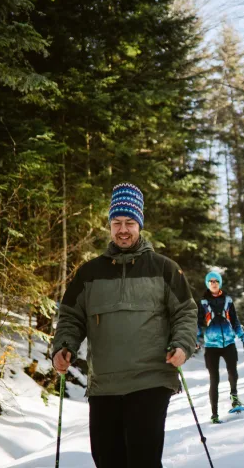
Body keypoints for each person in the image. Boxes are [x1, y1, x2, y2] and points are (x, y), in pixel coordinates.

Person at [52, 183, 197, 468]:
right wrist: (63, 347)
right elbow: (70, 317)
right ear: (109, 225)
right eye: (117, 223)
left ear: (140, 224)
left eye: (130, 222)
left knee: (143, 459)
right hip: (104, 384)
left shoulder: (164, 268)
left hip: (151, 380)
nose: (123, 230)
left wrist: (182, 345)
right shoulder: (89, 274)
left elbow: (185, 313)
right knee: (108, 460)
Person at [196, 270, 244, 424]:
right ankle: (214, 413)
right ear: (207, 283)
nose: (214, 283)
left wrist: (243, 337)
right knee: (214, 379)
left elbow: (235, 321)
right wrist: (196, 340)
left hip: (229, 343)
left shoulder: (228, 301)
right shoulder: (202, 303)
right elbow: (199, 324)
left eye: (216, 281)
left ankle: (234, 398)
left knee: (233, 371)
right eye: (211, 281)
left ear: (219, 283)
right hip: (211, 345)